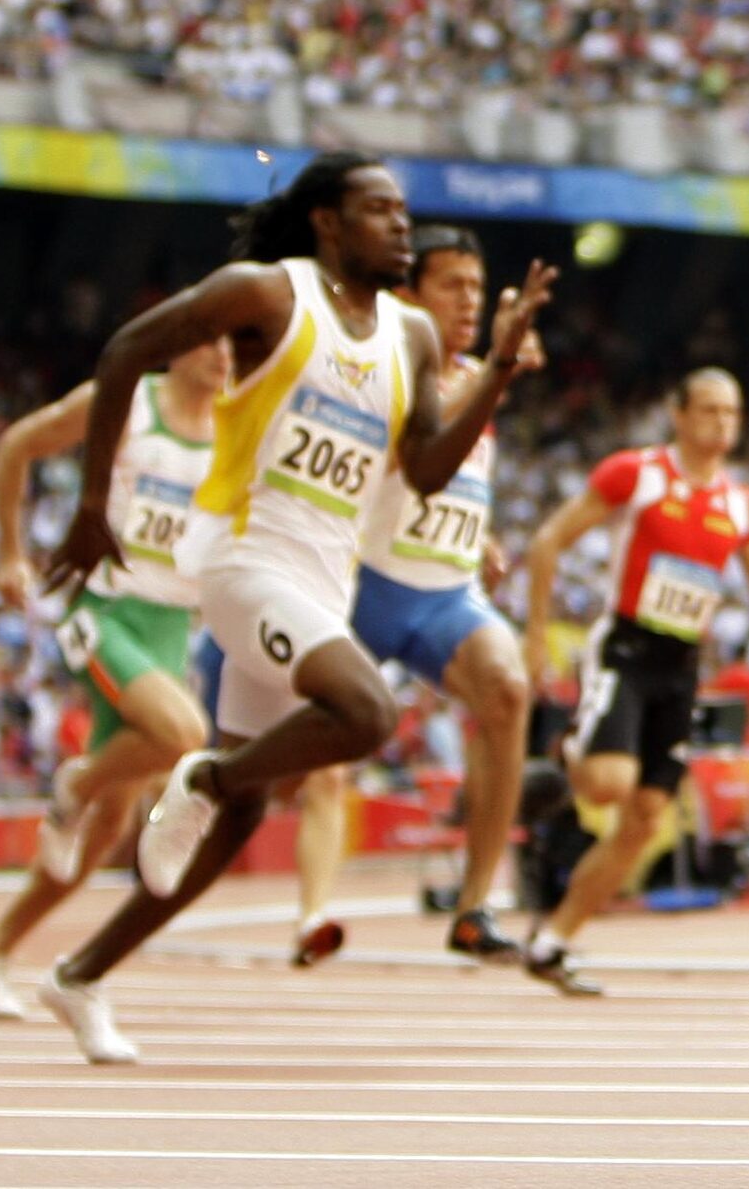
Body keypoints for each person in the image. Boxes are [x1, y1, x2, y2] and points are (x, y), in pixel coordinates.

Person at [30, 152, 554, 1064]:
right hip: (244, 564)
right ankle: (202, 778)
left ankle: (80, 973)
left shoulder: (411, 340)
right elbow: (123, 353)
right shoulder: (268, 296)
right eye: (381, 210)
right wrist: (87, 506)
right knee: (365, 713)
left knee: (236, 823)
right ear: (327, 222)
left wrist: (500, 368)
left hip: (323, 584)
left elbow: (427, 471)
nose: (401, 224)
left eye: (403, 209)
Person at [272, 223, 537, 971]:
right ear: (409, 294)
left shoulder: (482, 375)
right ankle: (311, 914)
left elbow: (458, 470)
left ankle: (476, 906)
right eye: (452, 285)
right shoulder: (384, 364)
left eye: (478, 290)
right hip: (359, 588)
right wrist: (499, 371)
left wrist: (478, 535)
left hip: (442, 592)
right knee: (305, 765)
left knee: (509, 690)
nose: (469, 302)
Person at [0, 337, 228, 1021]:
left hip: (171, 628)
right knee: (185, 734)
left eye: (237, 343)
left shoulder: (237, 423)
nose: (225, 355)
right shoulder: (128, 405)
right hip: (104, 611)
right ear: (180, 341)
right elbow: (18, 444)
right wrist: (10, 556)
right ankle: (73, 783)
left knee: (110, 824)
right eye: (212, 339)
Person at [517, 368, 749, 996]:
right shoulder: (636, 475)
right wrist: (535, 633)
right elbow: (547, 540)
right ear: (680, 414)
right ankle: (566, 754)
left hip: (682, 664)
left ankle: (554, 940)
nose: (723, 424)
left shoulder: (744, 506)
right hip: (626, 648)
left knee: (643, 820)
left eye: (733, 413)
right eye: (711, 410)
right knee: (609, 785)